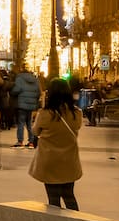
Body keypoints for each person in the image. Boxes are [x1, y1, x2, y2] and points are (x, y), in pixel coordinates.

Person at [30, 80, 83, 210]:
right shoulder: (76, 113)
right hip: (69, 161)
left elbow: (35, 131)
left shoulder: (45, 113)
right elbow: (77, 127)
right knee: (69, 196)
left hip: (50, 161)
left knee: (53, 198)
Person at [13, 66, 41, 146]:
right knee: (29, 123)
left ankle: (20, 141)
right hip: (31, 104)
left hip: (22, 103)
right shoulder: (35, 79)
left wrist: (12, 92)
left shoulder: (19, 78)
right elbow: (38, 92)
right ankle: (31, 141)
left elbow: (16, 90)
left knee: (21, 122)